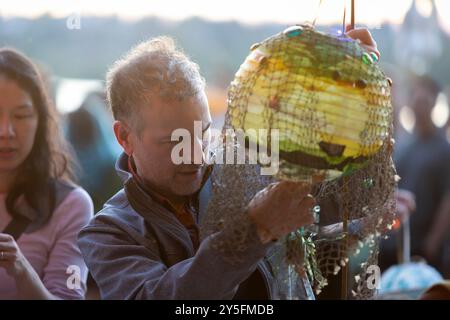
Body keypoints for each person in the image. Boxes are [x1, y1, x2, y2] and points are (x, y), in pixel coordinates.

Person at [78, 28, 382, 300]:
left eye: (204, 133)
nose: (196, 155)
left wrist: (354, 98)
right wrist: (254, 231)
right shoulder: (108, 232)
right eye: (174, 141)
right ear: (124, 137)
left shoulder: (248, 168)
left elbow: (349, 203)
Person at [0, 48, 93, 299]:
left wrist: (21, 269)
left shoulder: (71, 206)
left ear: (40, 121)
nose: (6, 131)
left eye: (21, 115)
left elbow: (69, 296)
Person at [380, 75, 450, 277]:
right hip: (389, 245)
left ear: (435, 103)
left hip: (422, 249)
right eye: (415, 98)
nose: (419, 104)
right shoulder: (402, 144)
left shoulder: (444, 149)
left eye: (424, 100)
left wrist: (432, 243)